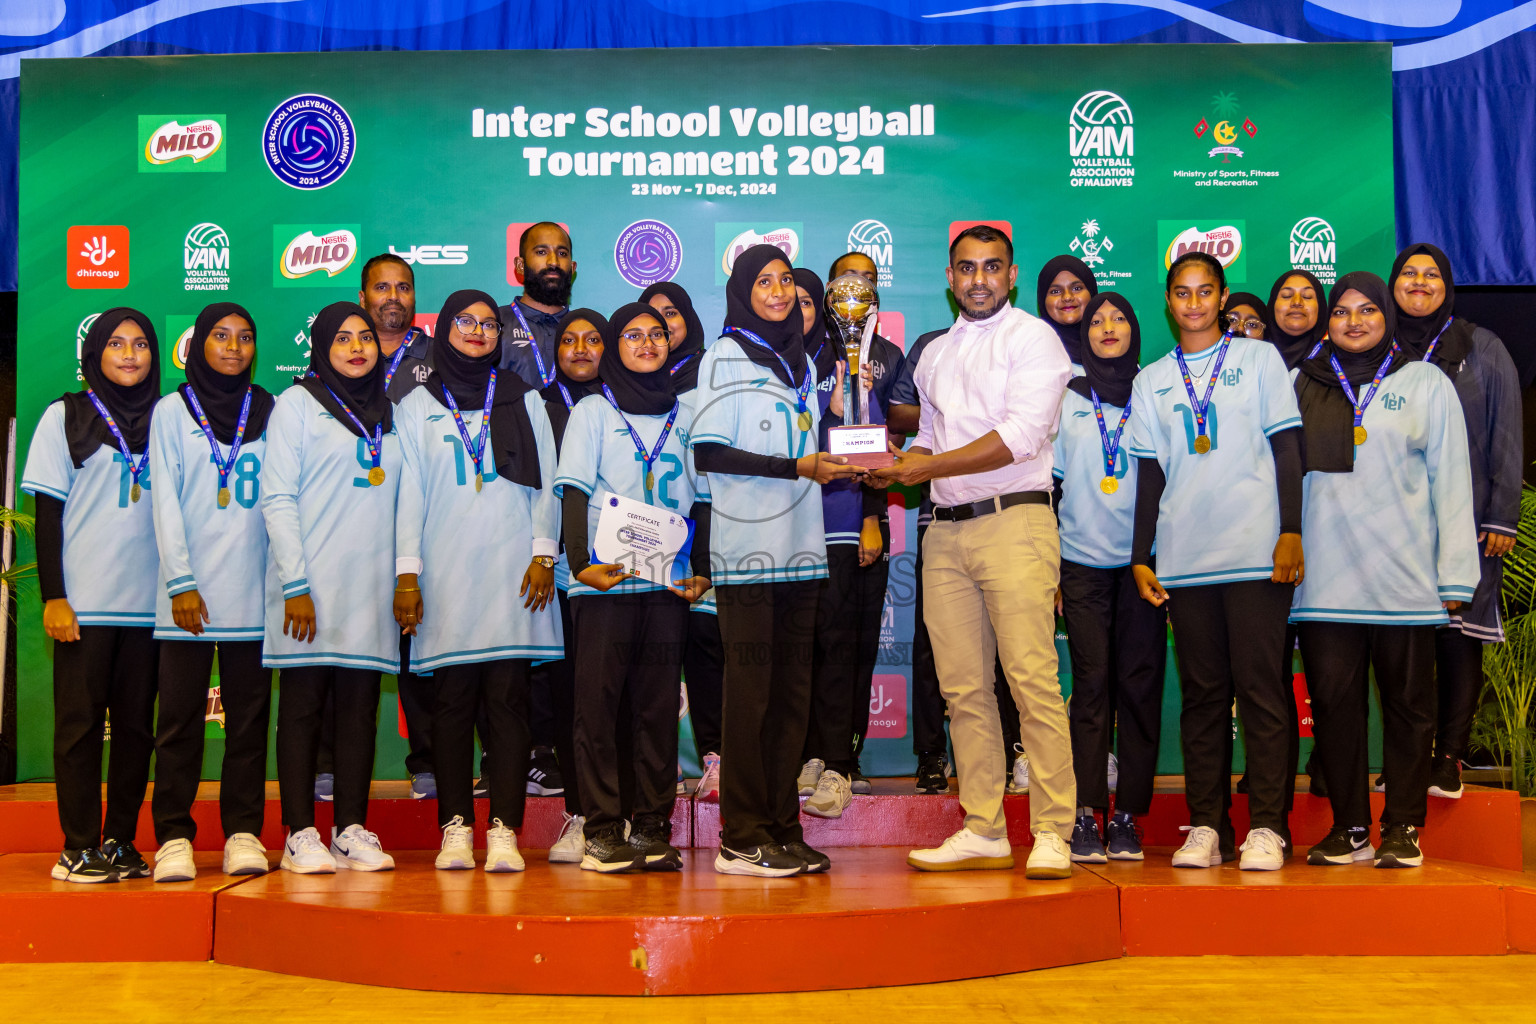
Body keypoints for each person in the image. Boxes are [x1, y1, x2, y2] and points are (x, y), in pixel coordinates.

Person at [872, 225, 1074, 878]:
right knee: (963, 691)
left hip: (1015, 523)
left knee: (1031, 681)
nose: (979, 279)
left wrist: (916, 471)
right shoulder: (935, 354)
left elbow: (1017, 437)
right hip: (945, 532)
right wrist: (896, 465)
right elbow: (928, 438)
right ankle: (984, 826)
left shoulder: (1034, 338)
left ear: (1011, 275)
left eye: (992, 267)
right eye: (967, 268)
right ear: (951, 277)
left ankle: (1052, 829)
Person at [1292, 272, 1478, 868]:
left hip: (1404, 583)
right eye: (1342, 311)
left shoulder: (1423, 381)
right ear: (1328, 323)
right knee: (1336, 710)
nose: (1354, 320)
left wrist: (1454, 577)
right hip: (1323, 584)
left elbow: (1451, 482)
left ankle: (1402, 825)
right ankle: (1350, 827)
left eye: (1368, 310)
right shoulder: (1303, 383)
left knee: (1407, 710)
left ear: (1386, 318)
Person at [1127, 252, 1304, 872]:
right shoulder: (1151, 380)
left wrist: (1290, 531)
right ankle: (1206, 824)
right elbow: (1149, 474)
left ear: (1223, 297)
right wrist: (1141, 555)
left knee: (1261, 692)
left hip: (1257, 553)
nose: (1194, 303)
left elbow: (1287, 448)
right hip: (1185, 559)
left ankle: (1267, 828)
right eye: (1182, 292)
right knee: (1203, 697)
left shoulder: (1259, 360)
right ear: (1169, 300)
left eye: (1206, 291)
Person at [691, 243, 861, 876]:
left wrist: (841, 421)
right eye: (764, 281)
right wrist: (797, 465)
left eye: (786, 280)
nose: (779, 290)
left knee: (793, 699)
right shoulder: (723, 357)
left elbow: (813, 447)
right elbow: (710, 452)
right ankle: (740, 836)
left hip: (804, 551)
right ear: (742, 290)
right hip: (747, 552)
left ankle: (782, 827)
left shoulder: (799, 363)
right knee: (751, 698)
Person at [394, 290, 562, 872]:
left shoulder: (525, 398)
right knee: (451, 707)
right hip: (444, 574)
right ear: (444, 329)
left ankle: (506, 831)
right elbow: (408, 494)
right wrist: (407, 574)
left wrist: (544, 553)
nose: (479, 331)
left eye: (490, 324)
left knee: (510, 705)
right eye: (465, 321)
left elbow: (548, 483)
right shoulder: (416, 406)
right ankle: (456, 829)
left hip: (514, 573)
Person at [556, 302, 711, 872]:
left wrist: (705, 572)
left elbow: (706, 500)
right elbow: (572, 494)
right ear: (614, 347)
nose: (647, 343)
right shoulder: (593, 410)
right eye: (632, 335)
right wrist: (579, 567)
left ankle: (650, 826)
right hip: (604, 584)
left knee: (655, 712)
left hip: (667, 586)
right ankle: (601, 831)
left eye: (656, 334)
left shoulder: (689, 413)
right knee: (596, 711)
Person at [263, 302, 402, 873]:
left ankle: (349, 829)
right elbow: (277, 497)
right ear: (321, 347)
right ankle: (300, 832)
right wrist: (296, 582)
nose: (356, 347)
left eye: (364, 337)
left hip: (369, 590)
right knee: (301, 711)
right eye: (342, 338)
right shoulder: (296, 405)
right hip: (308, 590)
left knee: (358, 711)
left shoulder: (390, 412)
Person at [23, 309, 161, 882]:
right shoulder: (66, 416)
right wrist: (55, 596)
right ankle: (76, 845)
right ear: (95, 355)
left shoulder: (171, 418)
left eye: (140, 345)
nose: (129, 354)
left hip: (153, 606)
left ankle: (120, 842)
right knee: (79, 730)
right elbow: (48, 515)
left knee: (135, 731)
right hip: (85, 604)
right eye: (116, 344)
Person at [147, 302, 276, 883]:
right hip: (188, 595)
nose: (233, 347)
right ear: (199, 344)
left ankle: (243, 832)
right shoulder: (171, 411)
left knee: (248, 721)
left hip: (254, 591)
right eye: (221, 336)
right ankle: (173, 836)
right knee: (178, 722)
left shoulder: (269, 408)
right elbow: (166, 502)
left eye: (245, 338)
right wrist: (180, 581)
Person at [1390, 243, 1522, 799]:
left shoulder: (1481, 346)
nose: (1419, 283)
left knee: (1458, 639)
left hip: (1467, 521)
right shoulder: (1380, 349)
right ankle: (1411, 761)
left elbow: (1506, 433)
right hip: (1396, 526)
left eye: (1431, 275)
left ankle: (1449, 761)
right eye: (1408, 274)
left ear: (1447, 285)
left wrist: (1501, 516)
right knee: (1407, 645)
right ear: (1392, 287)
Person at [1051, 293, 1165, 863]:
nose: (1108, 327)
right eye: (1097, 320)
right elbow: (1050, 487)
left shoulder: (1154, 392)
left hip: (1145, 566)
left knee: (1140, 689)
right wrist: (1050, 568)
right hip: (1081, 564)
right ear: (1084, 334)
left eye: (1120, 317)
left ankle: (1126, 816)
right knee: (1091, 687)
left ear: (1136, 329)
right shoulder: (1067, 398)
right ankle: (1082, 813)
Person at [797, 266, 901, 815]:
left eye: (814, 304)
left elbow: (871, 445)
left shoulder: (857, 365)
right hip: (790, 529)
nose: (805, 313)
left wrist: (870, 513)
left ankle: (839, 762)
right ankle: (813, 753)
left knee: (845, 649)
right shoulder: (780, 368)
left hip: (844, 521)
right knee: (803, 649)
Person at [499, 224, 576, 799]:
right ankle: (510, 752)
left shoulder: (586, 331)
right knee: (512, 635)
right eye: (540, 252)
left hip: (579, 501)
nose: (552, 261)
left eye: (562, 252)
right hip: (511, 501)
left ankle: (552, 752)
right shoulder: (496, 327)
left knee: (564, 641)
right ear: (520, 263)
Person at [355, 253, 433, 800]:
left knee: (420, 650)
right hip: (354, 523)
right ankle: (332, 764)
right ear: (364, 298)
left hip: (423, 523)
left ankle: (426, 763)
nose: (393, 297)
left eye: (403, 287)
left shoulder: (440, 357)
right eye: (381, 287)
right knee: (350, 647)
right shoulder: (341, 352)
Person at [642, 281, 724, 801]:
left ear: (689, 319)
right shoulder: (622, 384)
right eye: (648, 321)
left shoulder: (714, 377)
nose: (661, 328)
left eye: (670, 314)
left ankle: (717, 759)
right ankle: (658, 765)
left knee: (706, 646)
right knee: (652, 651)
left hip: (706, 524)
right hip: (644, 532)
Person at [539, 308, 608, 864]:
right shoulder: (529, 405)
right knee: (572, 702)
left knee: (624, 700)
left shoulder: (631, 402)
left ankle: (626, 813)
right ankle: (582, 815)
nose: (581, 349)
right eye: (570, 340)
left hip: (625, 573)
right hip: (560, 573)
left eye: (593, 340)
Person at [1037, 254, 1099, 370]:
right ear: (1043, 299)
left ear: (1091, 293)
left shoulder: (1112, 344)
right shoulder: (1030, 349)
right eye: (1055, 291)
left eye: (1076, 288)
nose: (1067, 297)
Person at [1264, 270, 1328, 372]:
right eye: (1287, 296)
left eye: (1307, 296)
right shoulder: (1256, 354)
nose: (1297, 302)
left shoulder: (1336, 357)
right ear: (1272, 305)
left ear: (1320, 307)